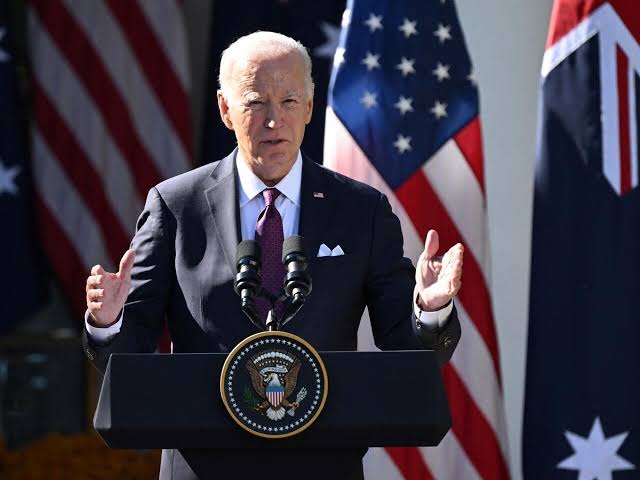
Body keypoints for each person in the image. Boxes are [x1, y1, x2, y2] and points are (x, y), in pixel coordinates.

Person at [83, 32, 463, 480]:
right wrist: (108, 322)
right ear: (225, 109)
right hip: (204, 465)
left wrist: (430, 310)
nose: (273, 120)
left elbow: (406, 348)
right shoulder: (176, 206)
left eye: (288, 101)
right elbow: (129, 353)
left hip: (323, 465)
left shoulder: (362, 210)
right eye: (255, 102)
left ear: (309, 107)